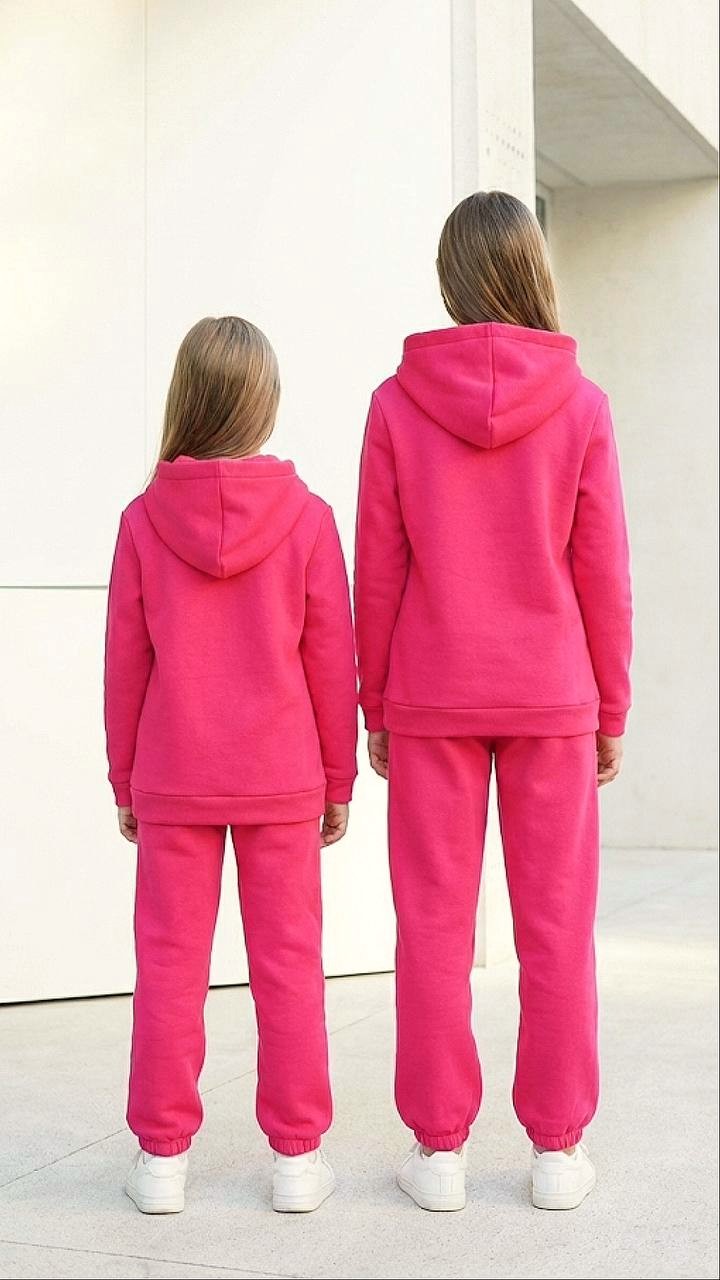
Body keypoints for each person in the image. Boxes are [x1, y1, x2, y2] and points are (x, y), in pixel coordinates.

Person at [354, 190, 632, 1212]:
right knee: (556, 926)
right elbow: (603, 570)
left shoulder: (395, 404)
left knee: (432, 925)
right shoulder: (582, 404)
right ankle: (557, 1152)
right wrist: (610, 706)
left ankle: (438, 1154)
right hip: (553, 695)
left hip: (432, 694)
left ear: (450, 278)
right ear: (531, 272)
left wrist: (376, 701)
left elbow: (377, 565)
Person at [104, 316, 357, 1215]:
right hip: (281, 777)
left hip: (174, 775)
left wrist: (124, 776)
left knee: (169, 967)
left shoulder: (143, 520)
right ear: (266, 403)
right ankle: (296, 1162)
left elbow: (126, 661)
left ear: (188, 399)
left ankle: (160, 1163)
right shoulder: (309, 519)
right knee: (290, 966)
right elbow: (331, 659)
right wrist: (337, 779)